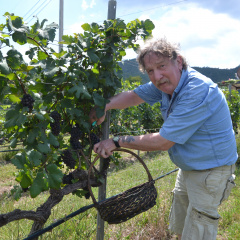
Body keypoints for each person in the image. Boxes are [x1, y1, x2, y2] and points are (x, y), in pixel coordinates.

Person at [89, 37, 237, 240]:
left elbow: (163, 141)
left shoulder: (197, 91)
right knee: (183, 227)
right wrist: (104, 105)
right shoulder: (165, 85)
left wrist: (116, 142)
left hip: (211, 171)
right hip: (189, 168)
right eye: (150, 71)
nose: (157, 76)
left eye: (161, 66)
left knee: (199, 231)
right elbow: (133, 96)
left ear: (179, 61)